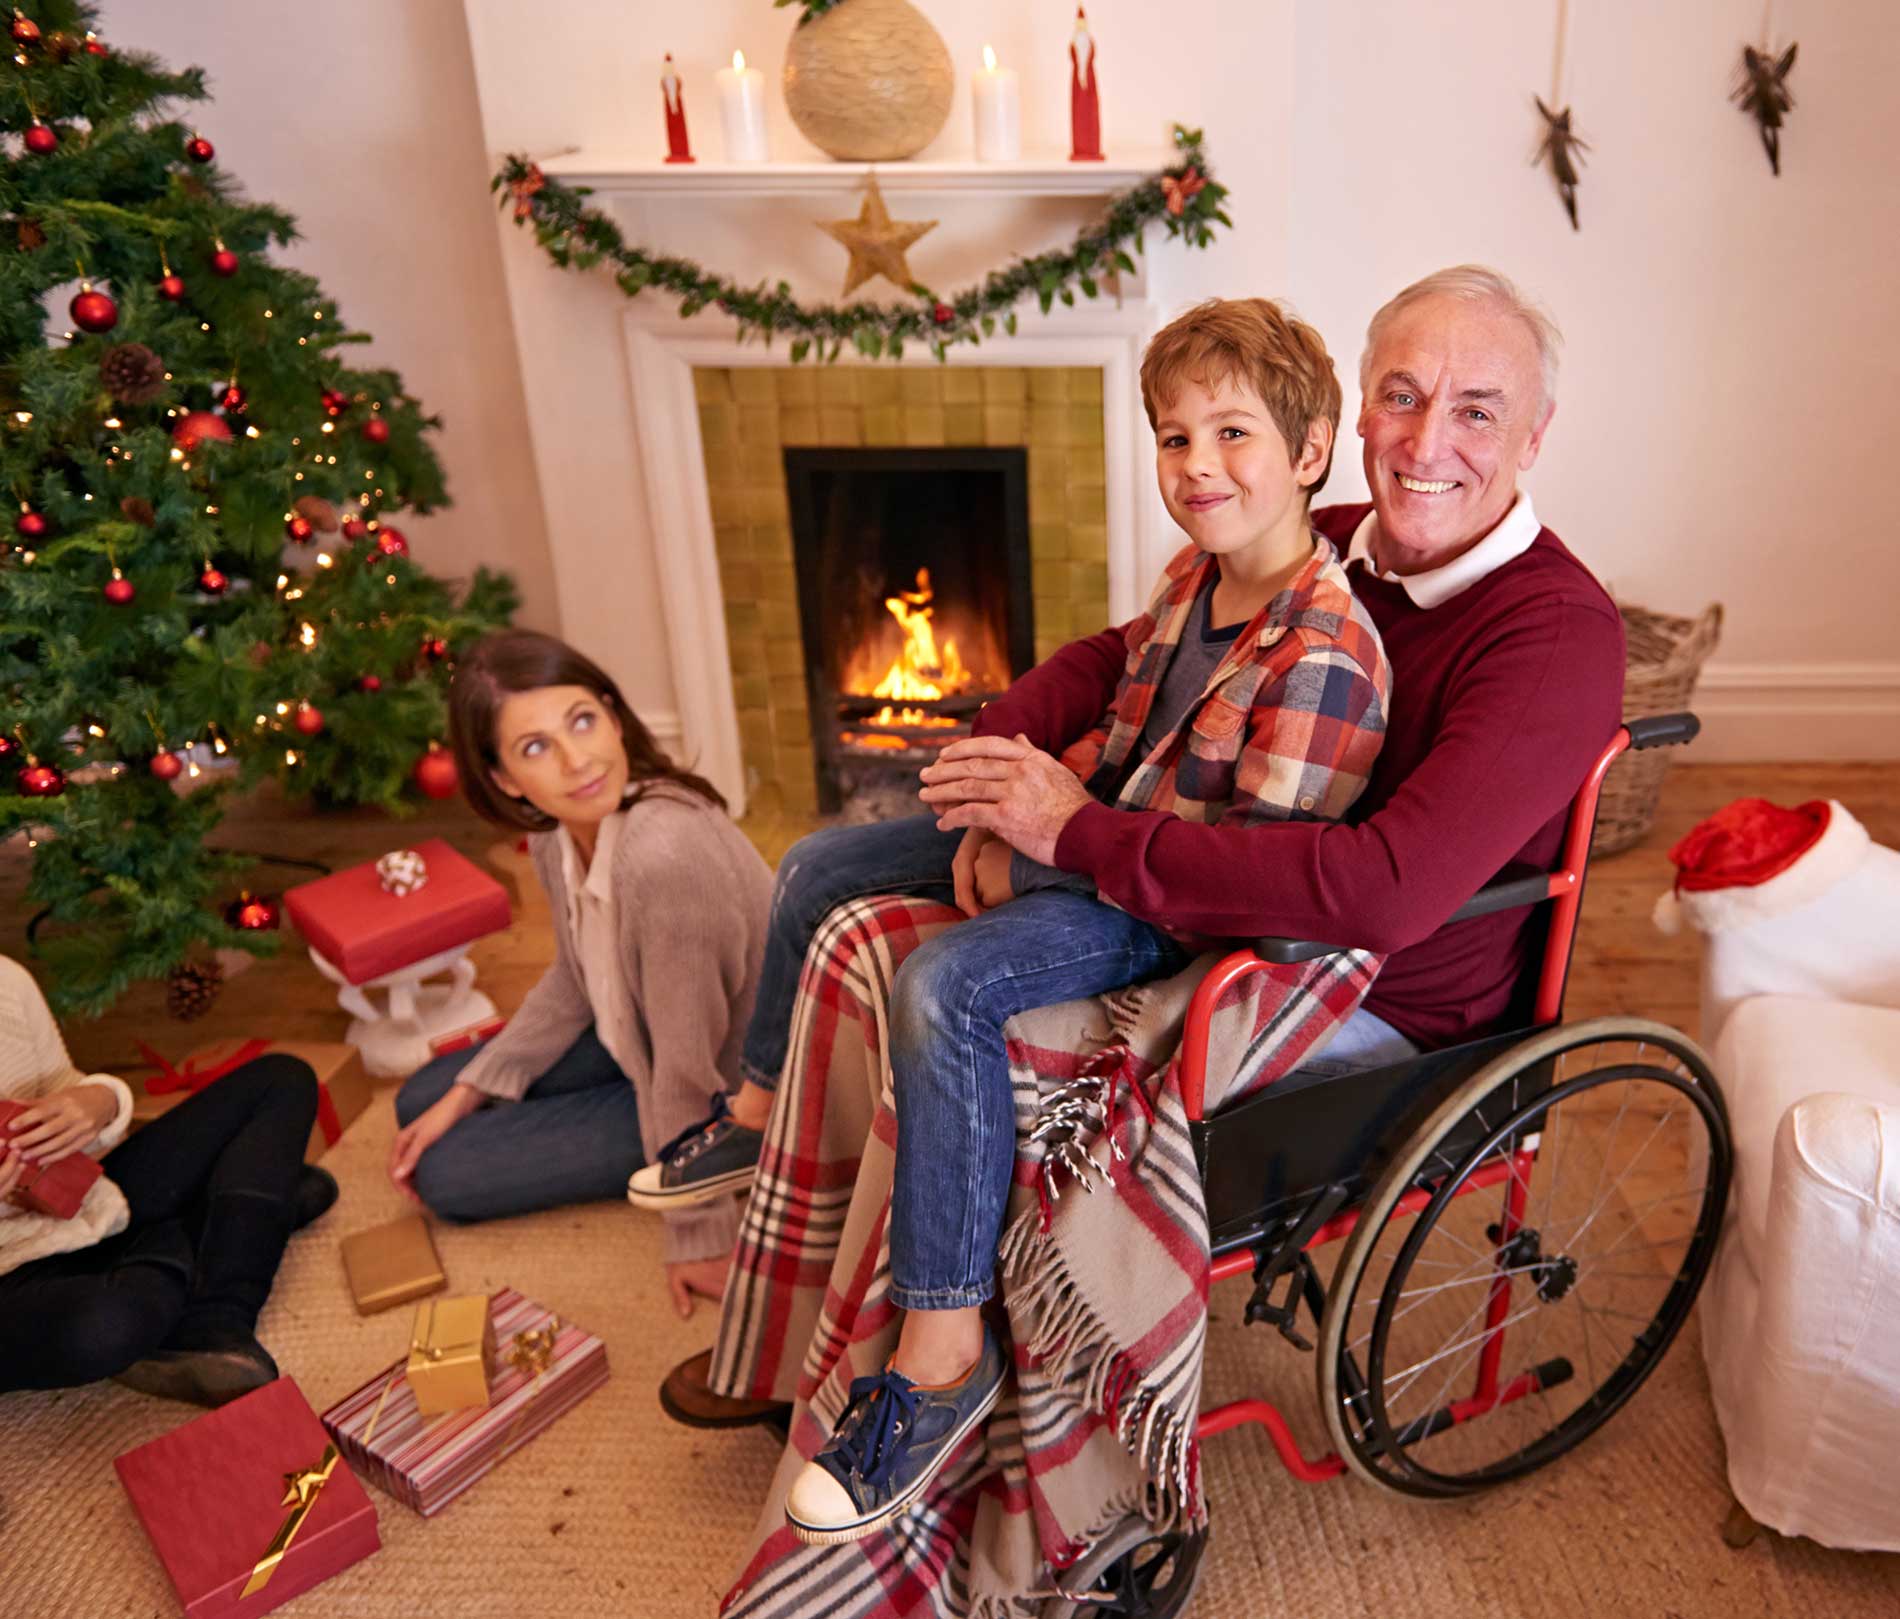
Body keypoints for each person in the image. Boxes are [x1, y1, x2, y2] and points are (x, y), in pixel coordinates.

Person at [644, 297, 1393, 1541]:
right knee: (821, 862)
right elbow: (1117, 737)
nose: (1197, 466)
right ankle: (756, 1107)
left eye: (1232, 433)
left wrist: (1032, 867)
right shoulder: (1193, 581)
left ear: (1312, 450)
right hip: (1097, 838)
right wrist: (1004, 813)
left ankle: (940, 1356)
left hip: (1174, 914)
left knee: (946, 983)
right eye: (1172, 438)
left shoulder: (1326, 651)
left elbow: (1236, 883)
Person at [925, 265, 1625, 1064]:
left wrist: (1076, 832)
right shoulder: (1324, 537)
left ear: (1533, 436)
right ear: (1359, 413)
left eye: (1477, 412)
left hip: (1373, 1004)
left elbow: (1384, 891)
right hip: (1219, 915)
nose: (1428, 442)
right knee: (862, 896)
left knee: (964, 1000)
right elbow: (1128, 652)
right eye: (1403, 397)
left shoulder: (1558, 636)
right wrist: (997, 757)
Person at [389, 631, 772, 1320]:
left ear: (612, 715)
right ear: (505, 778)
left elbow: (685, 1069)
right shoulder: (554, 831)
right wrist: (473, 1088)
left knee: (446, 1173)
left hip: (732, 1091)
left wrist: (698, 1230)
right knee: (424, 1099)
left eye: (583, 721)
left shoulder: (664, 856)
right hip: (638, 1032)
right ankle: (472, 1096)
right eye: (535, 747)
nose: (577, 761)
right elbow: (576, 975)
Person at [0, 954, 334, 1406]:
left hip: (74, 1209)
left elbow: (64, 1088)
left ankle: (216, 1321)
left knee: (283, 1080)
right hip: (12, 1281)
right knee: (110, 1322)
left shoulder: (8, 981)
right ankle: (231, 1221)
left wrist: (100, 1101)